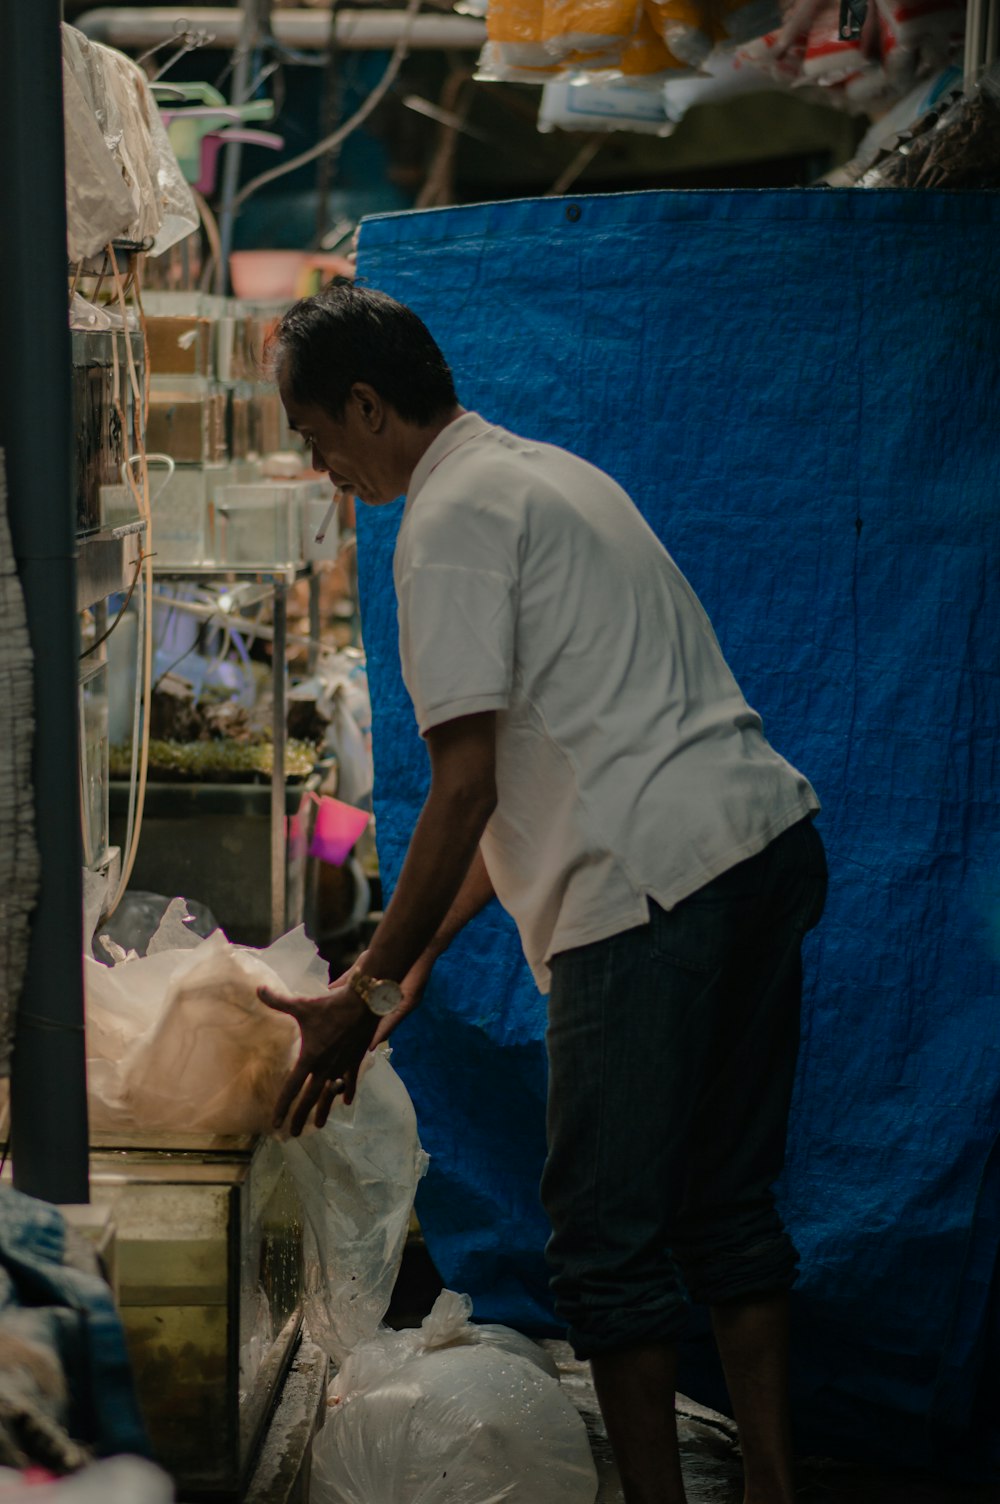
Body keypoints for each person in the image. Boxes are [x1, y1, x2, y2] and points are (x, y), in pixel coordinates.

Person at [259, 282, 828, 1504]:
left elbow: (462, 789)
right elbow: (520, 783)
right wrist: (406, 967)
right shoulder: (549, 473)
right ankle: (778, 1487)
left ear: (366, 404)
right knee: (725, 1201)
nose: (322, 469)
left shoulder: (444, 520)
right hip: (760, 844)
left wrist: (360, 990)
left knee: (603, 1236)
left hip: (649, 884)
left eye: (316, 437)